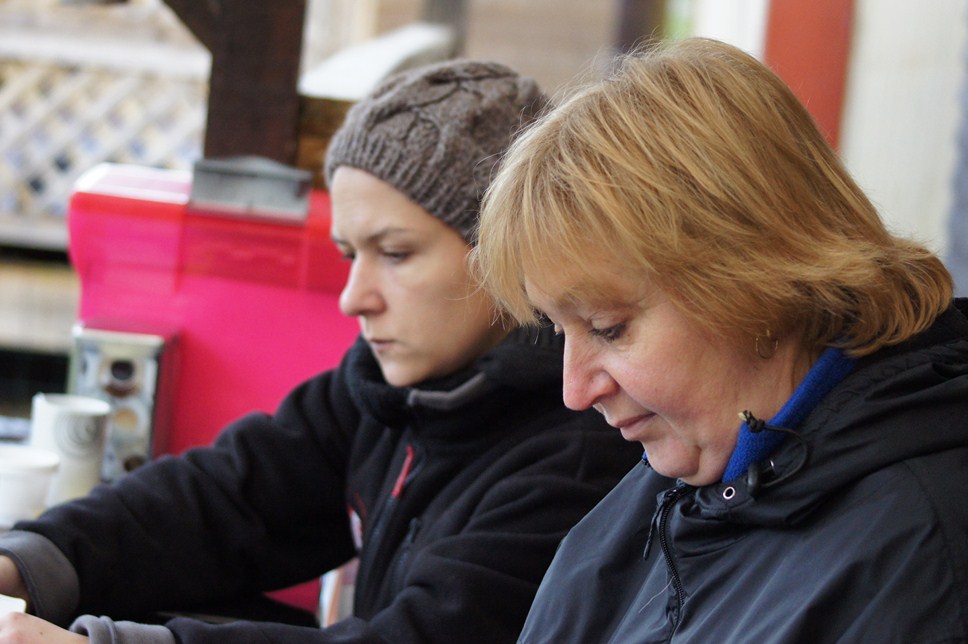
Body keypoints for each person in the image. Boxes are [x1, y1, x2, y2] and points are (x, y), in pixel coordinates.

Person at [0, 60, 642, 643]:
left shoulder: (581, 454)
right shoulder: (383, 391)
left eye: (394, 253)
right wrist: (28, 563)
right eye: (348, 255)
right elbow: (226, 500)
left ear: (508, 254)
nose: (353, 297)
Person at [472, 37, 968, 642]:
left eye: (608, 327)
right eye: (559, 330)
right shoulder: (690, 473)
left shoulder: (915, 561)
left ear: (757, 281)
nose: (576, 390)